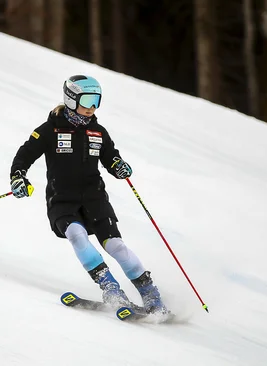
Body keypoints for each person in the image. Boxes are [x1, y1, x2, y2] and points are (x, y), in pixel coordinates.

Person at [9, 74, 167, 314]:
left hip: (95, 198)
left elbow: (111, 158)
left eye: (96, 101)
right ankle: (111, 289)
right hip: (62, 199)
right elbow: (24, 155)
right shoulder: (50, 130)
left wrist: (119, 166)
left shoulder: (98, 132)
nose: (91, 108)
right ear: (71, 99)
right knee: (76, 234)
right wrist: (18, 177)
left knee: (116, 246)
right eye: (87, 100)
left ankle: (151, 296)